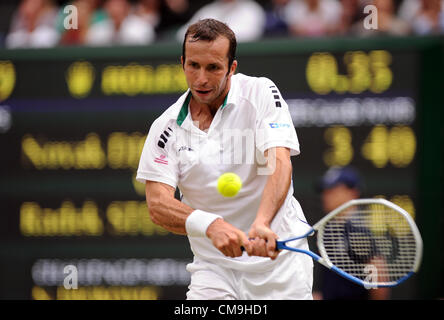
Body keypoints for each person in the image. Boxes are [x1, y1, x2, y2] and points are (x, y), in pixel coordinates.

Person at [137, 18, 313, 300]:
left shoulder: (261, 93)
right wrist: (210, 225)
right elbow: (158, 205)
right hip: (213, 270)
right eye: (193, 66)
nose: (201, 79)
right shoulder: (165, 128)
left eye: (213, 68)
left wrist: (262, 223)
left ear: (232, 68)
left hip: (279, 267)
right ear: (183, 62)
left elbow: (278, 162)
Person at [313, 166, 390, 300]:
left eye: (333, 190)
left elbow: (379, 284)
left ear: (352, 192)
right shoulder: (327, 232)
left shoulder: (360, 232)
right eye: (325, 190)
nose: (326, 195)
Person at [175, 0, 266, 43]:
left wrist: (207, 35)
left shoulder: (251, 9)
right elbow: (182, 34)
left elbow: (250, 34)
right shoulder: (209, 10)